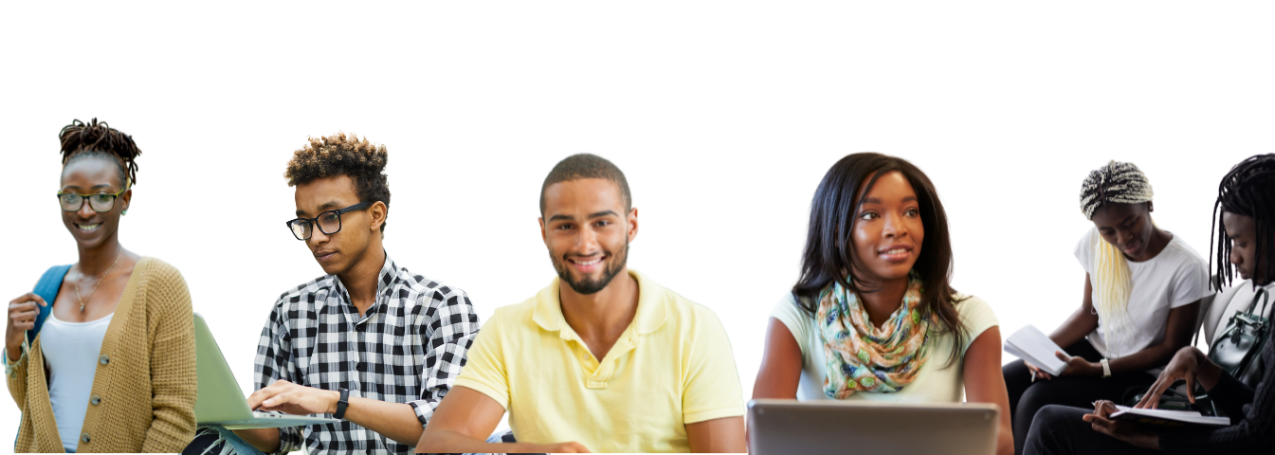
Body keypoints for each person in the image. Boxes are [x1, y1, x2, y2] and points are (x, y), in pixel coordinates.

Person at [1024, 154, 1275, 454]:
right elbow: (1265, 416)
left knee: (1050, 424)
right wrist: (1200, 362)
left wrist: (1143, 438)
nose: (1232, 258)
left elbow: (1261, 439)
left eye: (1240, 242)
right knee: (1044, 410)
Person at [415, 153, 747, 453]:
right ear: (544, 232)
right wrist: (538, 453)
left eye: (601, 223)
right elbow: (436, 446)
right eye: (566, 226)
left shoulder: (696, 329)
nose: (584, 243)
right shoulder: (507, 330)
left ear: (631, 225)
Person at [199, 133, 479, 455]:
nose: (315, 237)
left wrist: (335, 401)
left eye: (330, 217)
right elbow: (280, 435)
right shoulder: (291, 312)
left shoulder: (441, 306)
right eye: (304, 223)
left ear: (376, 215)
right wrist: (225, 416)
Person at [752, 152, 1015, 455]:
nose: (897, 228)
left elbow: (1000, 441)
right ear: (837, 233)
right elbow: (766, 439)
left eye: (911, 212)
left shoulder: (970, 317)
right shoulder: (797, 314)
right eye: (871, 215)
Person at [4, 119, 197, 453]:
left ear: (125, 199)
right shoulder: (49, 284)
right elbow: (34, 408)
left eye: (102, 197)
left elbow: (175, 414)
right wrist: (12, 350)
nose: (85, 210)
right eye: (72, 197)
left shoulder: (161, 283)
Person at [1002, 161, 1211, 454]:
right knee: (1005, 381)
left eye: (1129, 223)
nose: (1122, 239)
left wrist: (1097, 370)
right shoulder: (1096, 243)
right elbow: (1089, 313)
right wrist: (1043, 351)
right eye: (1108, 231)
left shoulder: (1186, 266)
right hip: (1095, 354)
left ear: (1148, 204)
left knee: (1035, 399)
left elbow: (1171, 348)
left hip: (1140, 375)